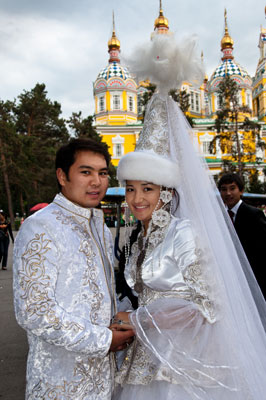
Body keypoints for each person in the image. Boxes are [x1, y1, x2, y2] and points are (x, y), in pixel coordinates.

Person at [109, 31, 266, 400]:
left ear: (166, 192)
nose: (136, 199)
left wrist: (138, 319)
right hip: (143, 355)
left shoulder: (185, 233)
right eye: (131, 188)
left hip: (182, 362)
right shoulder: (139, 236)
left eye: (147, 189)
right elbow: (143, 293)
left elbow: (207, 303)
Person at [13, 138, 134, 400]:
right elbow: (34, 311)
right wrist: (103, 340)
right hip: (62, 380)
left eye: (102, 173)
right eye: (85, 172)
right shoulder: (41, 226)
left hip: (104, 375)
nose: (97, 182)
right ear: (62, 176)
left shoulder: (99, 226)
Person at [218, 173, 266, 298]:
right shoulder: (221, 217)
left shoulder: (254, 214)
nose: (228, 193)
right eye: (224, 189)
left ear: (241, 191)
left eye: (232, 188)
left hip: (255, 277)